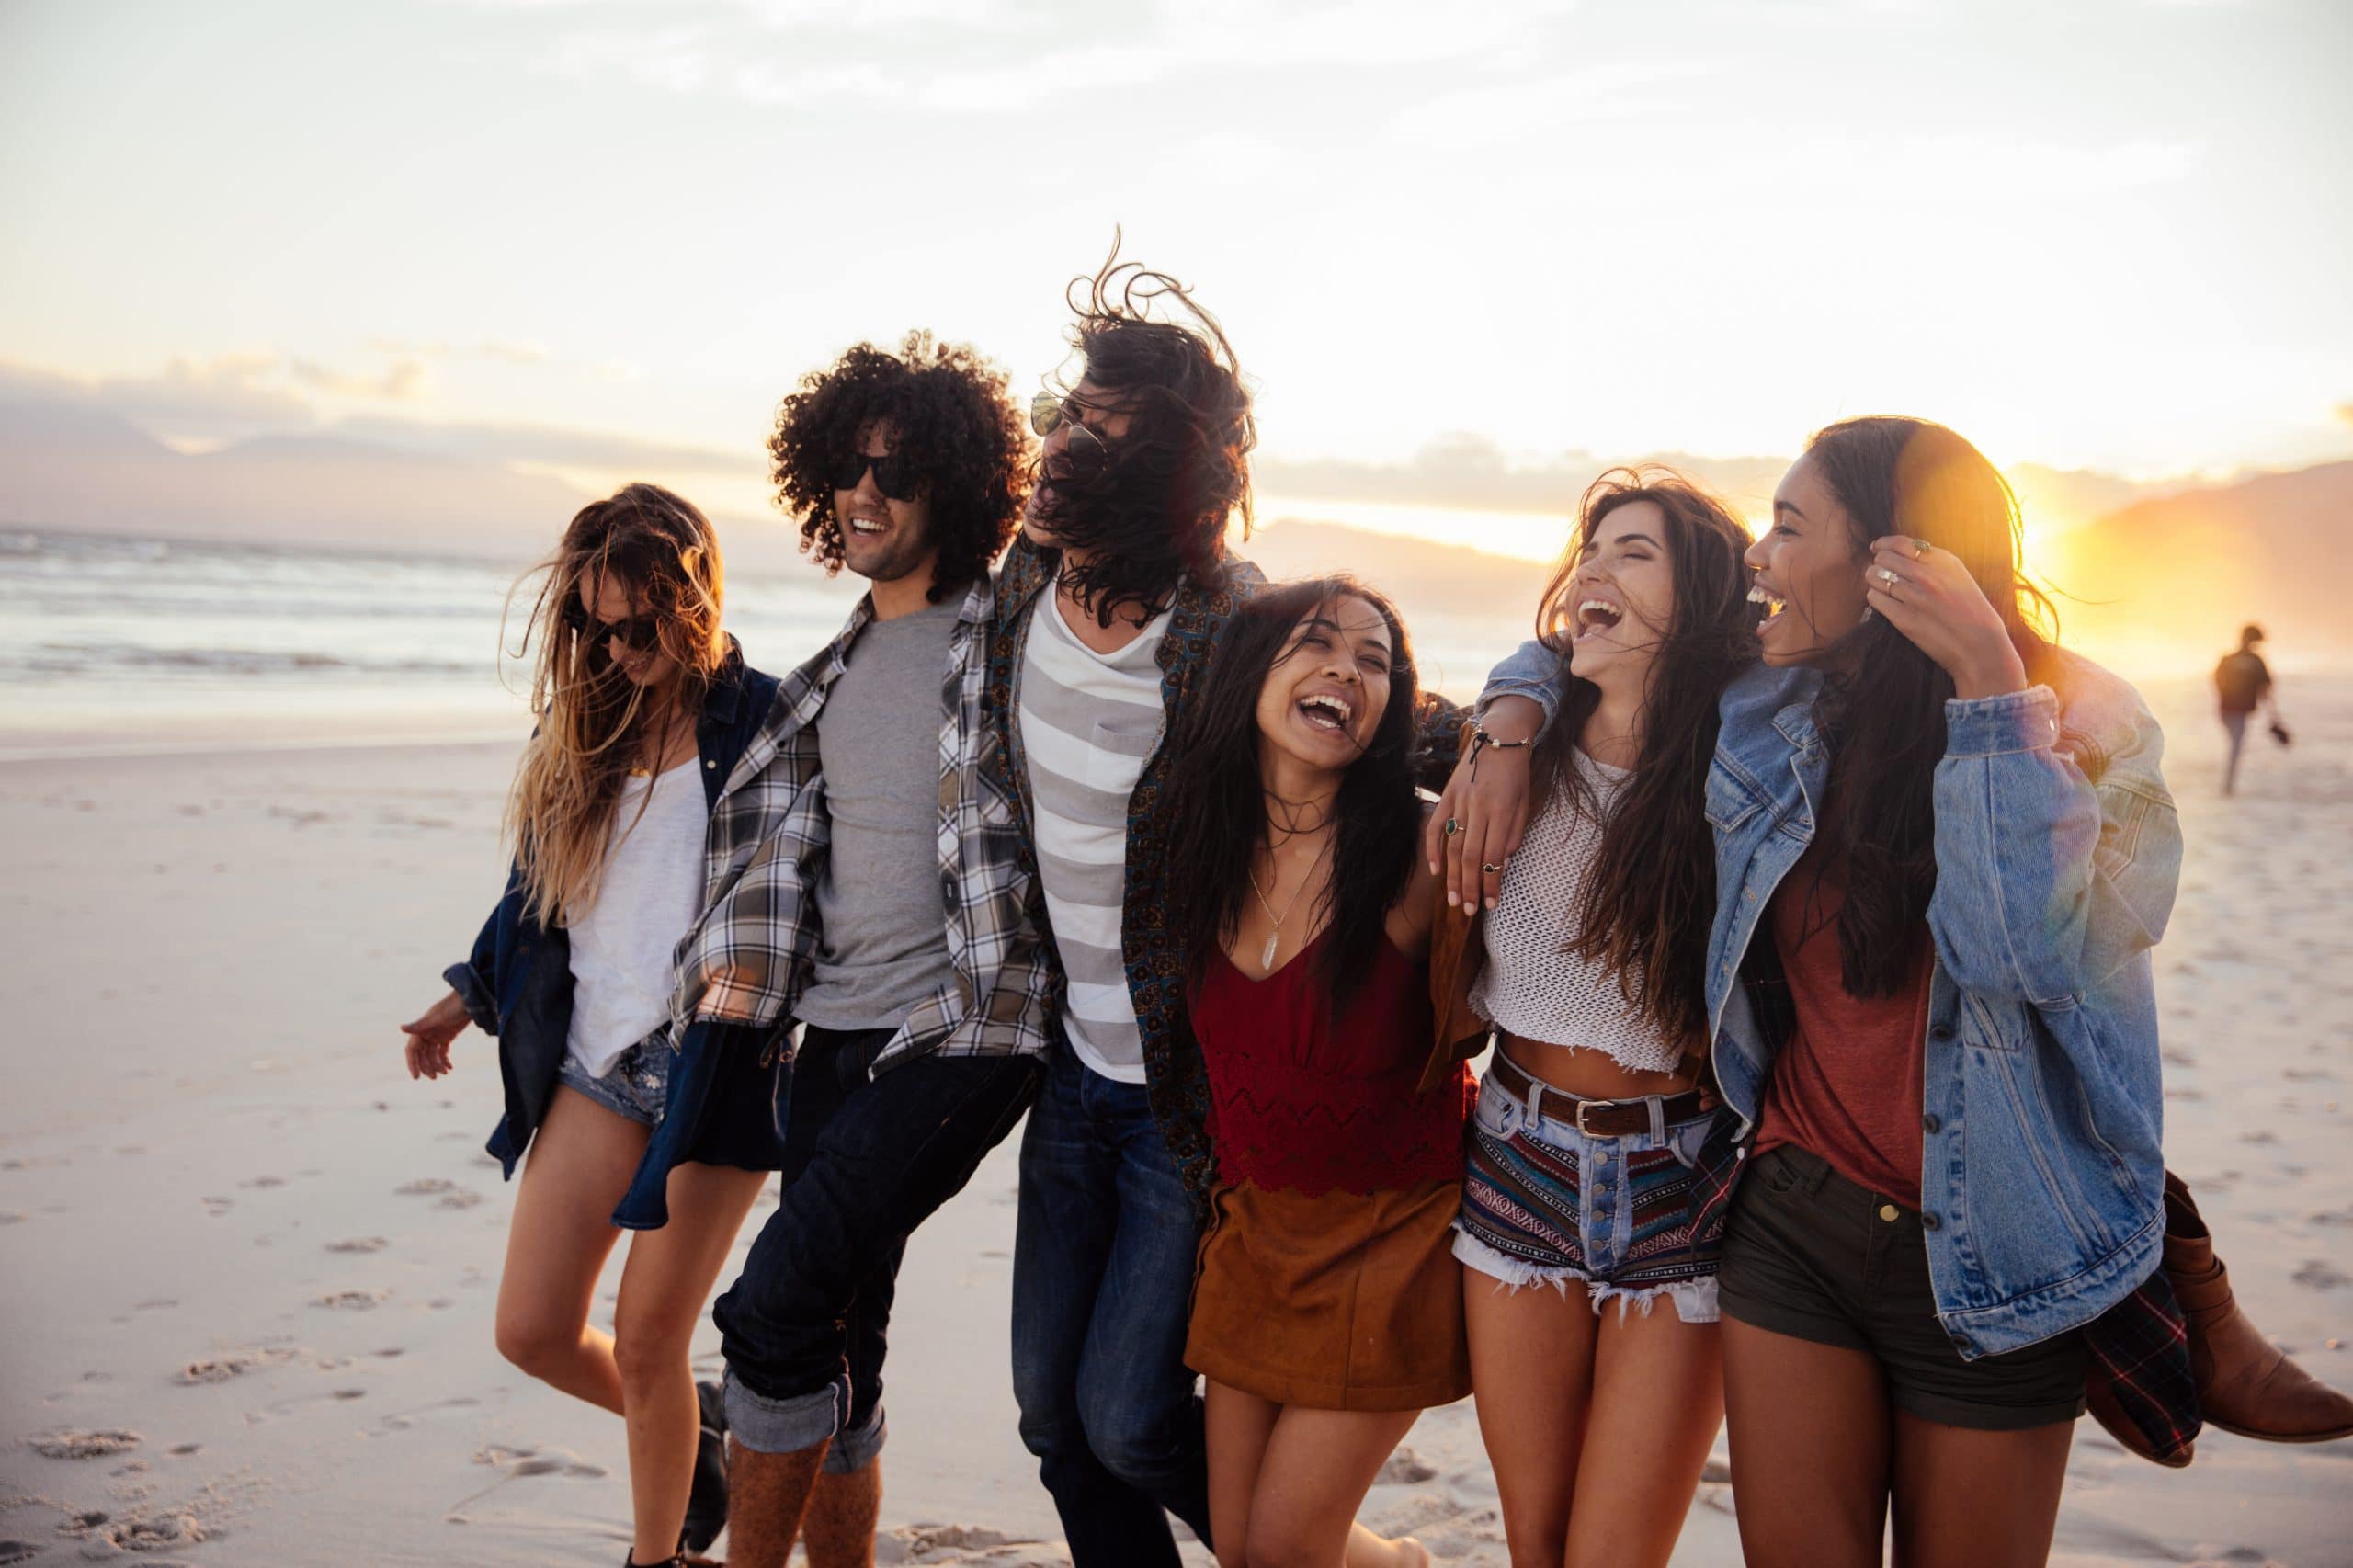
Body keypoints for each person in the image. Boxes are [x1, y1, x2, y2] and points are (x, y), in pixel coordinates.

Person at [680, 335, 1052, 1568]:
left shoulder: (1009, 637)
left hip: (965, 1033)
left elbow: (1141, 572)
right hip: (831, 1042)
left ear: (956, 485)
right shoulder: (825, 675)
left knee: (770, 1308)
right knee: (842, 1327)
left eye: (898, 471)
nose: (866, 493)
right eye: (848, 467)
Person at [401, 483, 788, 1568]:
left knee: (653, 1335)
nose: (617, 649)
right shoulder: (589, 725)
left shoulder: (765, 721)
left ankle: (654, 1556)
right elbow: (541, 892)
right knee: (530, 1329)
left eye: (637, 625)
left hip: (714, 1067)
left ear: (692, 598)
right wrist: (466, 998)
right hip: (595, 1061)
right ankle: (697, 1427)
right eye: (594, 625)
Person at [1421, 471, 1756, 1568]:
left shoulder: (1743, 778)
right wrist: (1509, 721)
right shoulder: (1514, 754)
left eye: (1636, 553)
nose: (1595, 571)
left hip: (1683, 1179)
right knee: (1538, 1546)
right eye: (1592, 549)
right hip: (1515, 1160)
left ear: (1697, 602)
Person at [986, 250, 1258, 1565]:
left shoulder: (1231, 622)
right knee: (1052, 1415)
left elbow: (1389, 717)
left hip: (1177, 1093)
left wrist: (1510, 717)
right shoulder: (1019, 589)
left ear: (1174, 459)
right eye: (1062, 417)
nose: (1061, 445)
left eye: (1097, 428)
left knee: (1133, 1420)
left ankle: (1313, 1548)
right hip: (1064, 1075)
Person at [1165, 577, 1472, 1568]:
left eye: (1375, 659)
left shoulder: (1427, 853)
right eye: (1315, 643)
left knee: (1287, 1546)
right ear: (1250, 672)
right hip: (1252, 1231)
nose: (1346, 668)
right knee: (1244, 1544)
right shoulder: (1195, 843)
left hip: (1391, 1238)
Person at [2213, 622, 2279, 795]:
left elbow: (2217, 681)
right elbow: (2265, 689)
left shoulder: (2228, 659)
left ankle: (2227, 784)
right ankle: (2228, 786)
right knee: (2236, 745)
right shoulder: (2256, 661)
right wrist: (2274, 716)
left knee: (2234, 743)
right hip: (2239, 711)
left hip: (2225, 709)